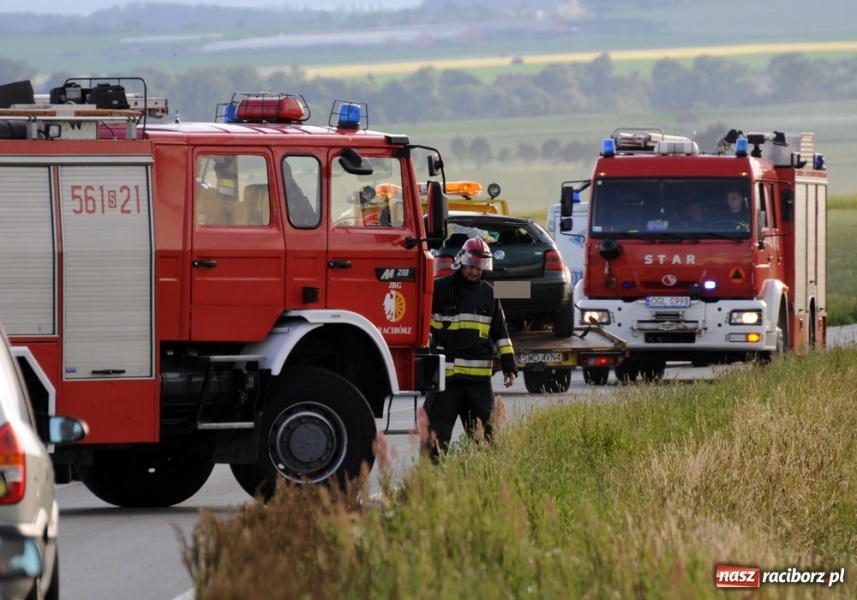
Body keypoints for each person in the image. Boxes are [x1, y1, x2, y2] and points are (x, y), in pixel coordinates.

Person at [422, 236, 518, 462]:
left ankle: (485, 479)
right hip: (446, 379)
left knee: (486, 438)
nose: (475, 272)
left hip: (478, 383)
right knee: (435, 435)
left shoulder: (490, 293)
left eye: (480, 269)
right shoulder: (439, 289)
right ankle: (428, 482)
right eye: (472, 267)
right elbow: (423, 324)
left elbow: (500, 334)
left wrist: (509, 367)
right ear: (461, 262)